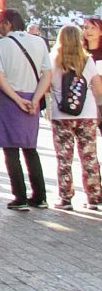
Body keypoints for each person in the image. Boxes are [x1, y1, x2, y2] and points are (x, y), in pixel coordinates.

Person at [0, 7, 51, 210]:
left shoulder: (1, 45)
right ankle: (40, 195)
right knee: (30, 148)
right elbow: (47, 74)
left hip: (10, 99)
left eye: (0, 22)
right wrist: (35, 99)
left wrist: (17, 99)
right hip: (32, 98)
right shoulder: (39, 42)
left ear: (7, 23)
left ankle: (20, 196)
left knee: (11, 150)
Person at [48, 24, 102, 210]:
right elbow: (98, 89)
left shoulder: (53, 60)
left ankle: (66, 198)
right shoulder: (87, 61)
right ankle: (94, 197)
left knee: (64, 157)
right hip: (87, 115)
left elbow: (46, 85)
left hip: (61, 116)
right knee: (89, 156)